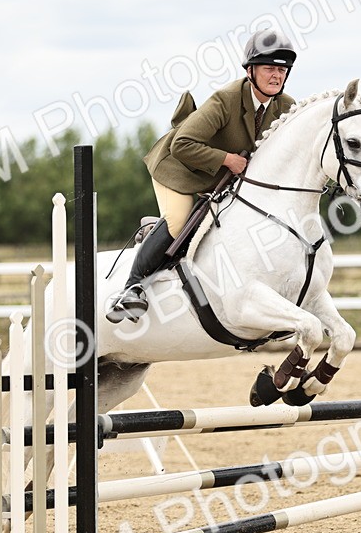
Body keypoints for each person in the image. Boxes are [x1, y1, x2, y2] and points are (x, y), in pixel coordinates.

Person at [106, 29, 299, 323]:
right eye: (269, 68)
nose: (276, 76)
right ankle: (132, 289)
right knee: (179, 221)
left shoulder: (286, 106)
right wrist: (227, 159)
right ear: (250, 71)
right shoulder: (226, 100)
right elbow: (181, 144)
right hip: (179, 168)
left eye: (282, 70)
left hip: (221, 177)